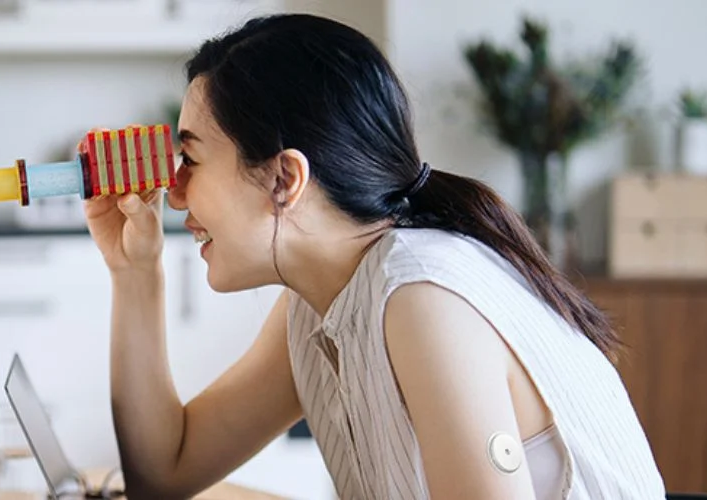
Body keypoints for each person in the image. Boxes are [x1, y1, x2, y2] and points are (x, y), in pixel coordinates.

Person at [85, 14, 666, 500]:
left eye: (193, 159)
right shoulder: (317, 307)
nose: (175, 191)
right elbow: (164, 475)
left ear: (284, 177)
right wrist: (134, 271)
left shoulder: (424, 299)